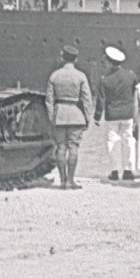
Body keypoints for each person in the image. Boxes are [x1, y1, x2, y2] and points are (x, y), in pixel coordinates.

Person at [45, 45, 92, 189]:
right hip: (76, 115)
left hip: (59, 114)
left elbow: (49, 100)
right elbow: (87, 100)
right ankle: (71, 180)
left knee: (61, 147)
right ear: (76, 59)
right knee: (74, 147)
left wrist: (52, 117)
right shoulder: (81, 76)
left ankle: (63, 181)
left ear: (62, 57)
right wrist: (87, 118)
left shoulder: (54, 75)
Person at [95, 46, 137, 181]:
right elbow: (135, 93)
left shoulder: (104, 79)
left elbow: (100, 100)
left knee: (112, 141)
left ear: (110, 62)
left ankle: (114, 171)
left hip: (112, 114)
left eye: (106, 61)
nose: (104, 64)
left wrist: (97, 116)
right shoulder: (131, 75)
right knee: (128, 141)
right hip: (128, 114)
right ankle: (128, 171)